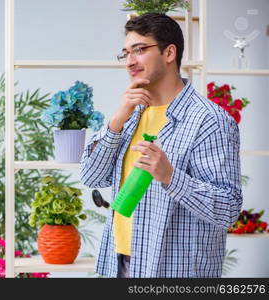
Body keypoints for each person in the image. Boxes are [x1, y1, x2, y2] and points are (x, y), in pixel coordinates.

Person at [80, 13, 242, 278]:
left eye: (140, 50)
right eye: (126, 53)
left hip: (175, 270)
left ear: (169, 53)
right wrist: (117, 121)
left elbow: (228, 209)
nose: (130, 61)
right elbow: (90, 176)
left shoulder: (209, 120)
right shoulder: (130, 114)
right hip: (122, 262)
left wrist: (170, 176)